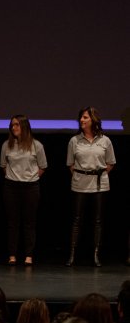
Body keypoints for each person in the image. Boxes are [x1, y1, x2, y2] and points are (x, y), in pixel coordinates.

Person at [65, 106, 116, 267]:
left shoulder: (105, 140)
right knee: (77, 220)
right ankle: (73, 254)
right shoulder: (74, 141)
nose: (82, 120)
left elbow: (110, 163)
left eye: (85, 117)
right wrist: (82, 175)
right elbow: (70, 164)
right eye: (81, 117)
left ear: (93, 120)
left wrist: (97, 174)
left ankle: (96, 254)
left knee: (98, 220)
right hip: (80, 183)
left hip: (100, 184)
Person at [0, 115, 47, 266]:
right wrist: (14, 177)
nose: (14, 128)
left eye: (17, 125)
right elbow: (3, 165)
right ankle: (12, 255)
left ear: (25, 126)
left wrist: (30, 177)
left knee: (29, 223)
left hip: (30, 187)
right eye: (12, 125)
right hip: (11, 187)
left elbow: (42, 167)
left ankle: (28, 255)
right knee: (12, 223)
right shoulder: (6, 145)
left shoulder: (36, 145)